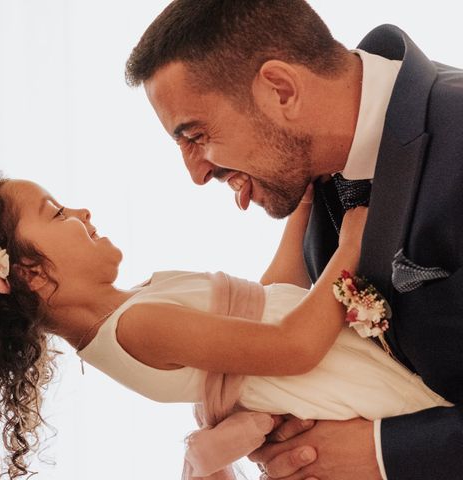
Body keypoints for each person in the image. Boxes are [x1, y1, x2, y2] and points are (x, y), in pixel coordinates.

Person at [0, 173, 451, 480]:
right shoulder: (137, 328)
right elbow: (294, 345)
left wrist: (302, 207)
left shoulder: (136, 308)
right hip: (349, 387)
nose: (81, 210)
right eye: (56, 213)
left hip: (340, 369)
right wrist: (353, 239)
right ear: (32, 274)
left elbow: (270, 300)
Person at [124, 1, 463, 479]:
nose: (196, 173)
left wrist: (383, 453)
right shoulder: (320, 177)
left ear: (280, 90)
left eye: (197, 136)